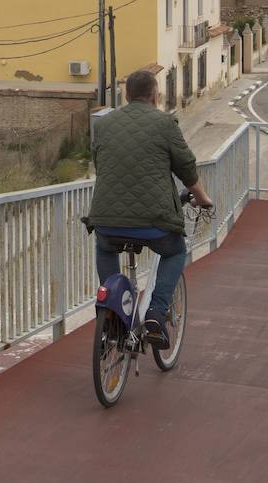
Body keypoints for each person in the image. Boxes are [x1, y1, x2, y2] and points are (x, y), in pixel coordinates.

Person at [86, 69, 213, 349]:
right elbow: (186, 167)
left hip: (106, 218)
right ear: (155, 96)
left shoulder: (104, 125)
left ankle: (114, 312)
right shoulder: (165, 123)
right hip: (154, 223)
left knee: (105, 246)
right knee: (176, 250)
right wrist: (202, 198)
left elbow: (100, 162)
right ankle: (156, 313)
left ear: (126, 96)